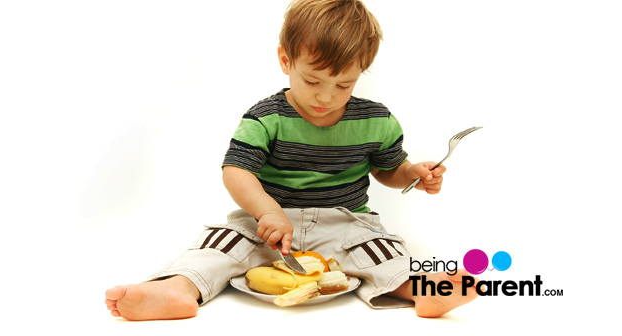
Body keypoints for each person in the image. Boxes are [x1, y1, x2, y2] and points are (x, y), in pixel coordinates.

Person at [104, 0, 477, 321]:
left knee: (382, 250)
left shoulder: (376, 120)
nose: (326, 97)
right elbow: (237, 171)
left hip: (346, 224)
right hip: (267, 226)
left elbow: (387, 169)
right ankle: (178, 288)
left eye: (343, 85)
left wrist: (412, 172)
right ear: (286, 59)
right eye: (313, 81)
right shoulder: (265, 117)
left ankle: (423, 290)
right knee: (222, 243)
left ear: (360, 72)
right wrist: (266, 211)